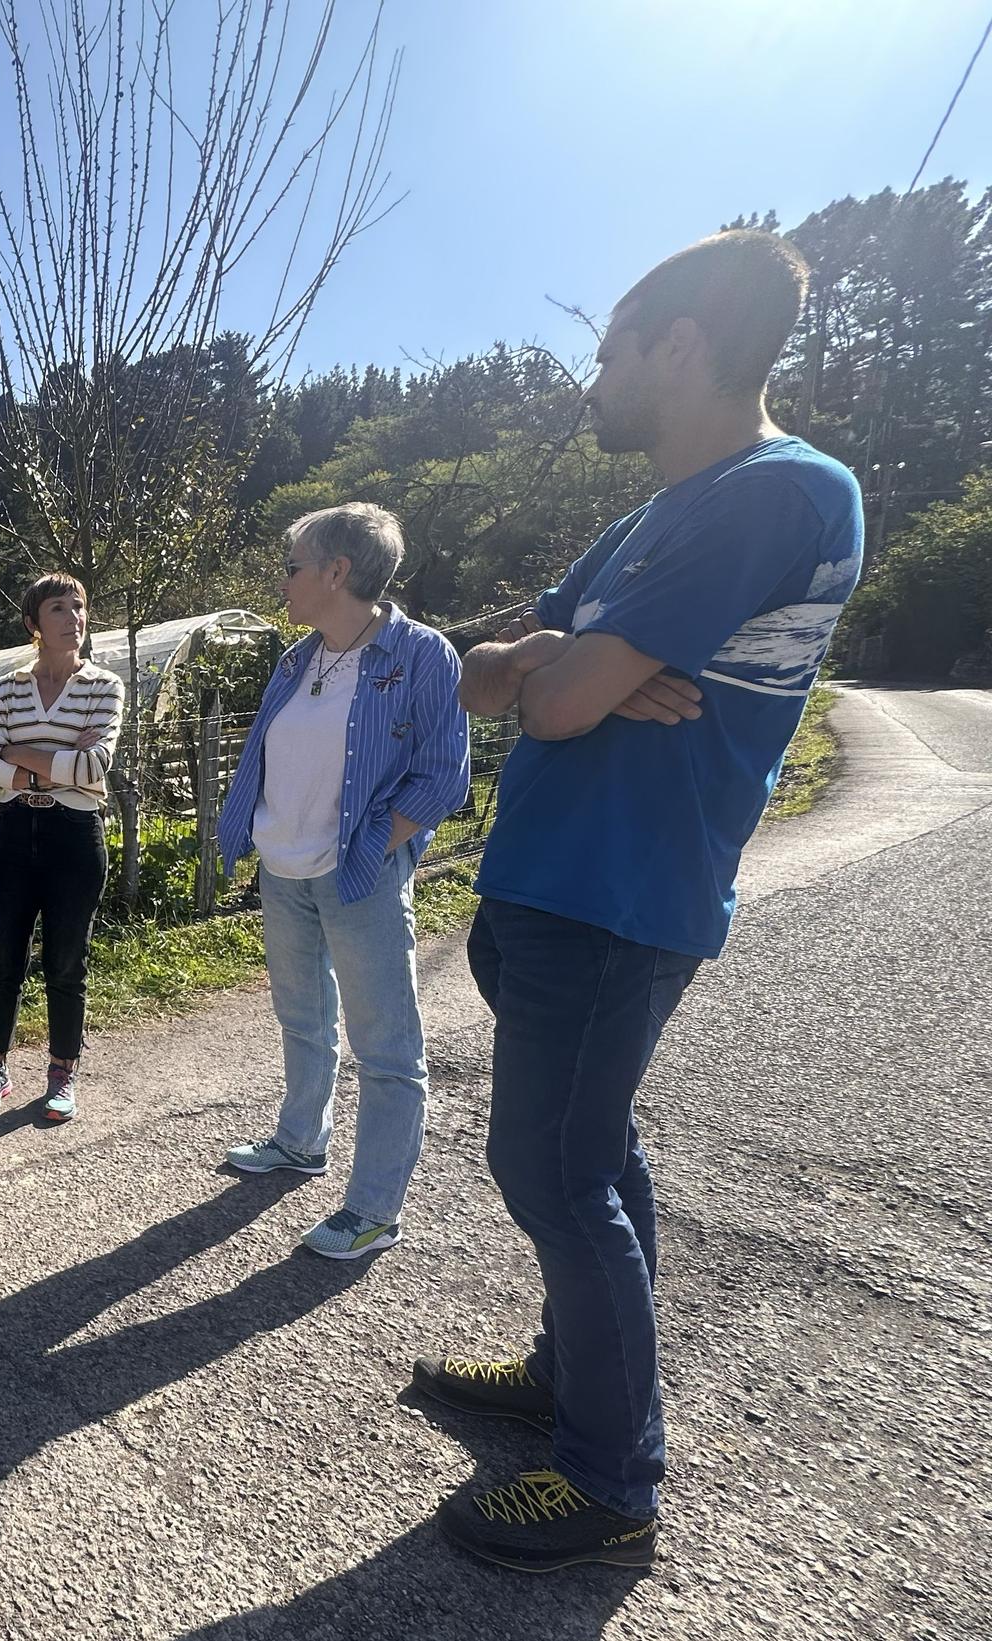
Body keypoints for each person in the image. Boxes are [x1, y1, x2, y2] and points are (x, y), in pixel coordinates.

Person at [419, 231, 863, 1573]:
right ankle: (573, 1377)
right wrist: (572, 659)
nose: (593, 379)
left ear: (681, 343)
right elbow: (487, 679)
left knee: (549, 1166)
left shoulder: (781, 492)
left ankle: (613, 1478)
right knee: (593, 1154)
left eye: (611, 349)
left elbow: (541, 699)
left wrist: (562, 673)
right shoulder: (643, 522)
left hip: (622, 895)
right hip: (549, 887)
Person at [215, 504, 470, 1258]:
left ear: (337, 571)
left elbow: (443, 776)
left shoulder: (422, 654)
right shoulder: (299, 658)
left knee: (386, 1046)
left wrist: (374, 850)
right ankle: (300, 1141)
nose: (282, 579)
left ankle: (374, 1209)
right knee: (303, 1019)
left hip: (356, 874)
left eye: (292, 565)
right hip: (283, 868)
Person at [0, 573, 125, 1123]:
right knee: (4, 960)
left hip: (75, 839)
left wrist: (21, 750)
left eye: (79, 607)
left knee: (66, 962)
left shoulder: (104, 686)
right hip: (13, 836)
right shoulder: (9, 686)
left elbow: (95, 765)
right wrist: (53, 765)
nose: (74, 619)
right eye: (59, 609)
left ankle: (61, 1073)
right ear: (35, 624)